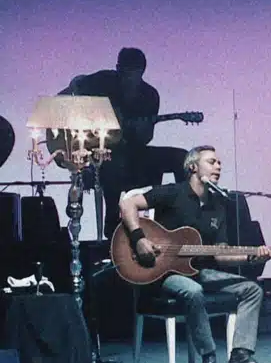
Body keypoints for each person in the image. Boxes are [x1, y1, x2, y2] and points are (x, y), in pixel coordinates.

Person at [118, 145, 271, 363]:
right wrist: (139, 239)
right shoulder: (173, 193)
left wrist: (252, 256)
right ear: (192, 167)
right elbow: (127, 204)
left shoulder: (218, 205)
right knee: (193, 291)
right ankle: (208, 357)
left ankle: (240, 357)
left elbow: (220, 255)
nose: (218, 166)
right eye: (212, 162)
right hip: (163, 273)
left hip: (198, 271)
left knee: (251, 289)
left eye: (219, 163)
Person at [59, 47, 189, 239]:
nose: (127, 78)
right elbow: (72, 87)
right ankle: (112, 225)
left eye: (132, 73)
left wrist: (138, 130)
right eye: (123, 71)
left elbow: (145, 139)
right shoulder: (102, 80)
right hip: (99, 150)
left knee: (182, 157)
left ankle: (184, 218)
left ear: (142, 72)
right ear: (117, 68)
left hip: (133, 150)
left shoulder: (150, 95)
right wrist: (89, 120)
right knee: (114, 163)